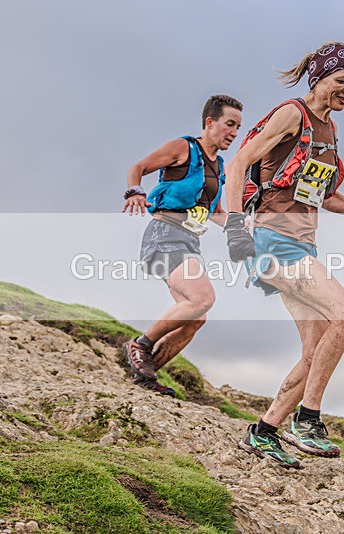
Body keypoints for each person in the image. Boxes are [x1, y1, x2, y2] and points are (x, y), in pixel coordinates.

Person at [223, 42, 344, 468]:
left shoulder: (329, 129)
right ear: (318, 78)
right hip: (270, 241)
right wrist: (233, 227)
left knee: (316, 348)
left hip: (303, 244)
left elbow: (323, 196)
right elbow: (238, 162)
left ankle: (263, 431)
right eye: (342, 80)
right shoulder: (292, 114)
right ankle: (308, 420)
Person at [121, 95, 243, 395]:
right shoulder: (183, 148)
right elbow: (138, 167)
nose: (234, 133)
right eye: (230, 124)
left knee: (195, 318)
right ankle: (141, 345)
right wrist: (135, 192)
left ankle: (145, 378)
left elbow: (213, 212)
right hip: (165, 234)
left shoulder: (219, 166)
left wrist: (241, 227)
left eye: (238, 127)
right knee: (202, 298)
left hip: (189, 241)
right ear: (209, 122)